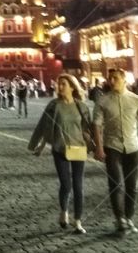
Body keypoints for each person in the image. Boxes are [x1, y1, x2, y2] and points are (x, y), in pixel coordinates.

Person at [93, 69, 138, 235]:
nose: (112, 80)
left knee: (132, 186)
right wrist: (99, 147)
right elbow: (97, 125)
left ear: (124, 80)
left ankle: (129, 217)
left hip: (132, 147)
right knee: (116, 184)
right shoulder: (103, 101)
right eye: (110, 78)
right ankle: (120, 218)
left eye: (115, 78)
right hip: (112, 146)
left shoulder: (137, 100)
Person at [28, 75, 92, 234]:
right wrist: (39, 145)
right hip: (59, 148)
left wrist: (94, 143)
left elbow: (88, 128)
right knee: (66, 184)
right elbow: (44, 125)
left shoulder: (81, 106)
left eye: (63, 84)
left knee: (78, 186)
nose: (60, 86)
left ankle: (78, 221)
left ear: (72, 87)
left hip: (78, 148)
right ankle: (64, 212)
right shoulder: (53, 105)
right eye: (59, 84)